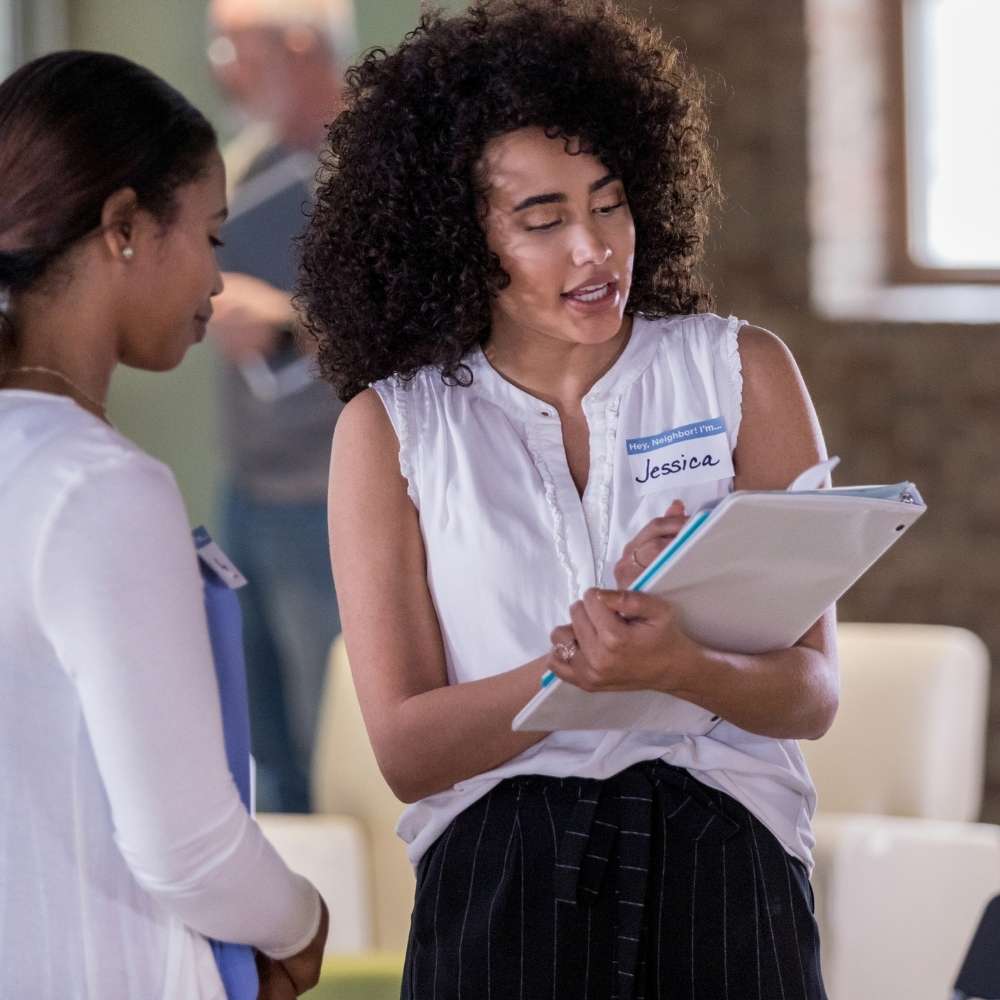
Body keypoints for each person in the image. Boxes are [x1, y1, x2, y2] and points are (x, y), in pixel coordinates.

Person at [300, 2, 838, 998]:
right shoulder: (390, 430)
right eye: (542, 220)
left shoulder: (741, 374)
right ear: (456, 236)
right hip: (500, 877)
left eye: (609, 202)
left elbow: (810, 695)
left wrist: (682, 660)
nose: (594, 252)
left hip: (725, 858)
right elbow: (408, 751)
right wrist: (586, 665)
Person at [0, 51, 327, 999]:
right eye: (213, 238)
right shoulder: (97, 485)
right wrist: (303, 924)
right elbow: (186, 846)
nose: (218, 285)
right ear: (125, 229)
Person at [205, 0, 354, 814]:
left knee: (332, 742)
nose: (223, 66)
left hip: (330, 500)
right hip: (250, 494)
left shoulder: (376, 170)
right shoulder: (247, 168)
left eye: (237, 45)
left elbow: (424, 329)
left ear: (300, 46)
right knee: (261, 753)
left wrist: (287, 326)